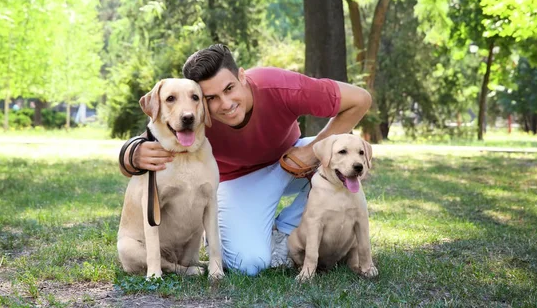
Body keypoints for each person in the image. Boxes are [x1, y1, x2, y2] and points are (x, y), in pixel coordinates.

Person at [119, 44, 371, 276]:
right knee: (249, 264)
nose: (226, 104)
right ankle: (259, 231)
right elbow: (150, 136)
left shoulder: (278, 85)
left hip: (292, 161)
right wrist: (131, 153)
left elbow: (361, 99)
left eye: (229, 89)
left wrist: (312, 150)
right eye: (212, 98)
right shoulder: (194, 113)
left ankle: (287, 231)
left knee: (336, 159)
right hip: (237, 182)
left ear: (242, 76)